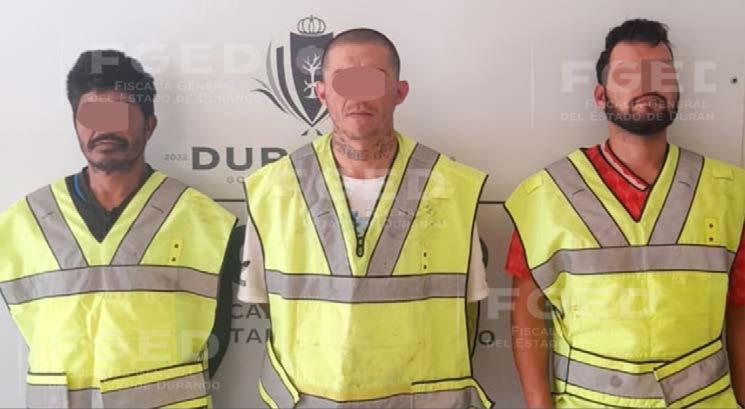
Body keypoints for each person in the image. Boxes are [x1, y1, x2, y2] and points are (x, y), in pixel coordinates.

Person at [238, 28, 493, 408]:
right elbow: (265, 303)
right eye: (344, 81)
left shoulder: (452, 188)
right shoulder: (272, 190)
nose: (357, 96)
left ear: (399, 92)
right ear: (321, 92)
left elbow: (467, 309)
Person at [506, 19, 745, 408]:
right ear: (600, 96)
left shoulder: (730, 192)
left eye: (662, 73)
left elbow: (739, 310)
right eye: (629, 74)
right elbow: (527, 313)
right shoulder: (546, 196)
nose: (648, 85)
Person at [0, 49, 241, 408]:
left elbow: (216, 341)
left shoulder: (208, 223)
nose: (104, 129)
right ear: (75, 125)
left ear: (149, 125)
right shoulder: (22, 223)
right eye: (91, 116)